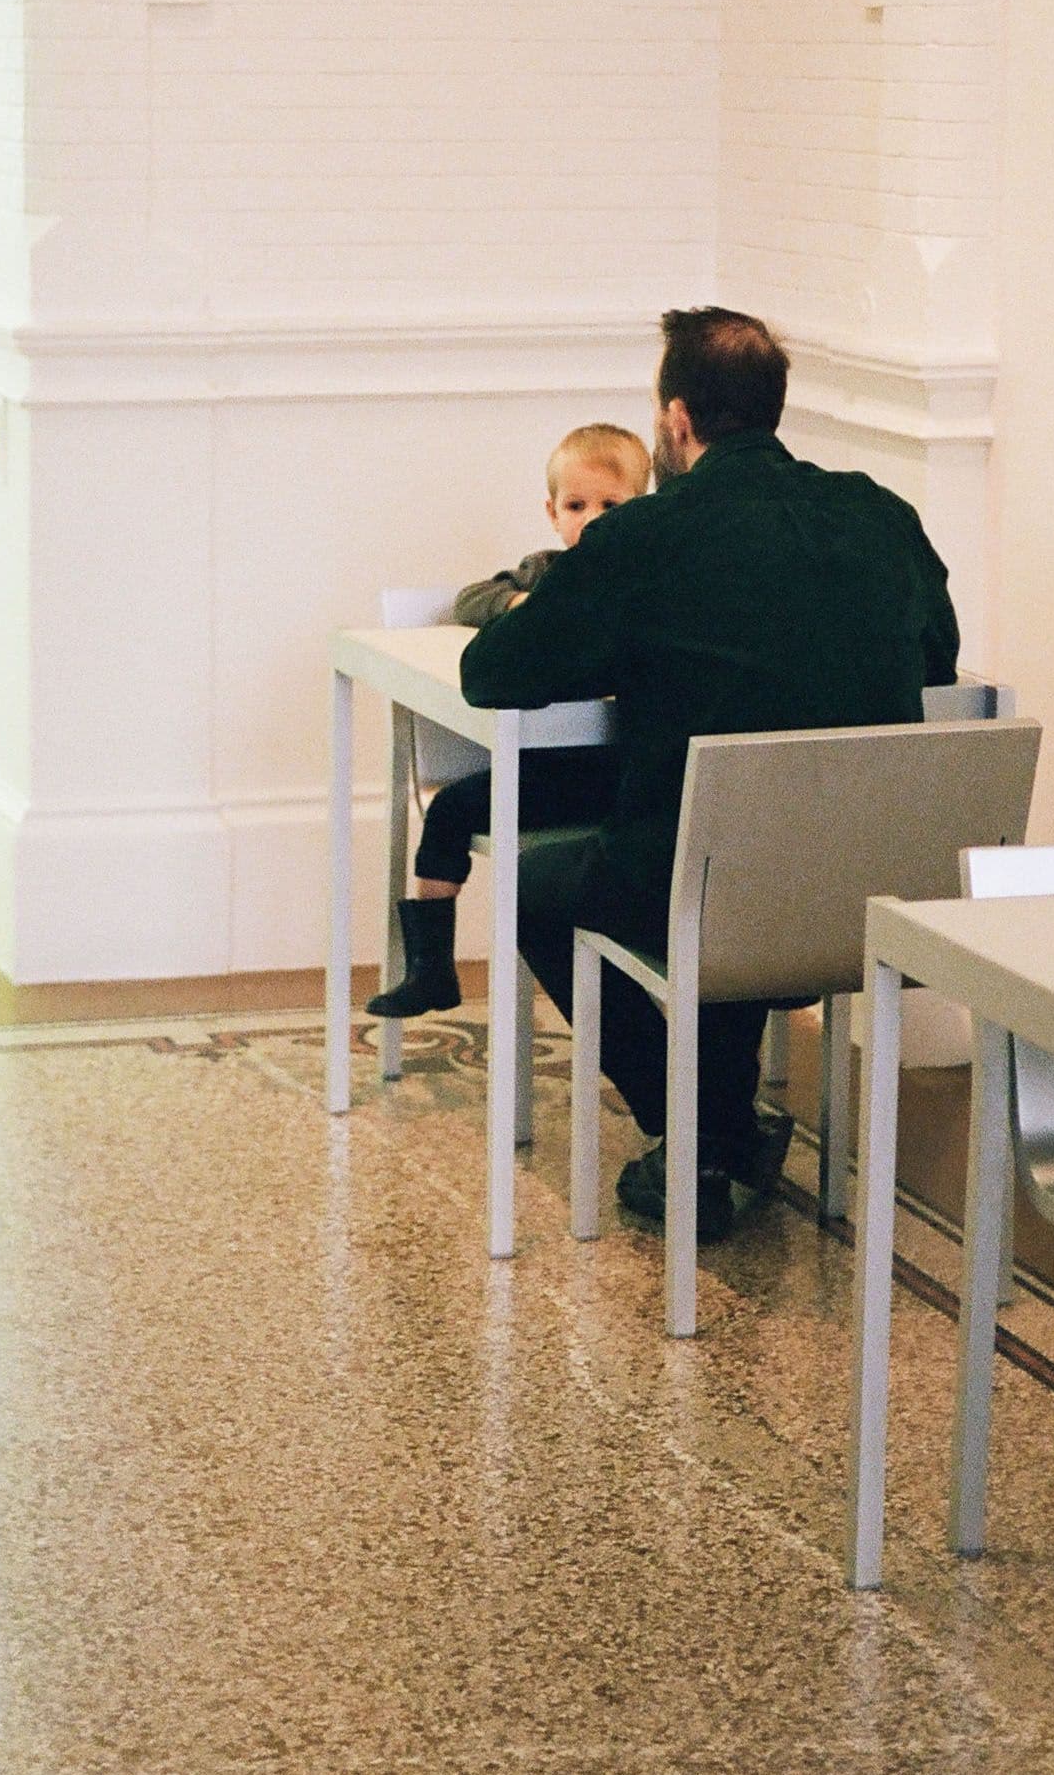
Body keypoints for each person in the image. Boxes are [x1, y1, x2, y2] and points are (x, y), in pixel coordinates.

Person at [459, 307, 959, 1239]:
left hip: (713, 886)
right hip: (868, 895)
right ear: (773, 408)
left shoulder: (644, 538)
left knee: (542, 887)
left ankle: (700, 1131)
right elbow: (939, 657)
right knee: (717, 869)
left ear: (677, 421)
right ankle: (719, 1127)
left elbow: (495, 675)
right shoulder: (883, 518)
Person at [366, 422, 651, 1018]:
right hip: (546, 770)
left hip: (618, 778)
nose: (591, 519)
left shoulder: (643, 578)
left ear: (641, 510)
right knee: (447, 810)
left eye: (609, 505)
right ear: (552, 512)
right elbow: (472, 599)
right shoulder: (545, 571)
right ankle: (431, 966)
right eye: (576, 505)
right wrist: (522, 605)